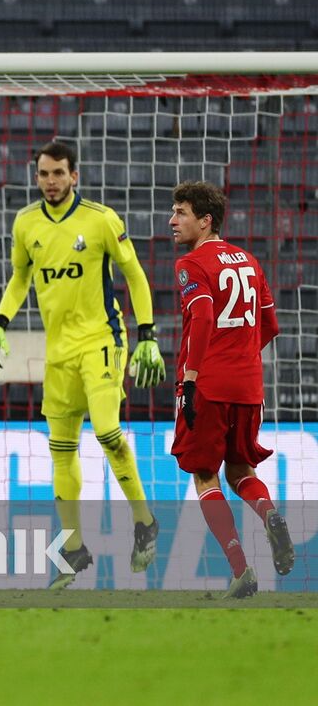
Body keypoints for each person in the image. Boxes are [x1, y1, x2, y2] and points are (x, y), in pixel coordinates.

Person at [0, 141, 166, 589]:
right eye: (43, 174)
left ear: (74, 176)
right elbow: (21, 275)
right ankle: (74, 549)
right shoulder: (26, 223)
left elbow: (135, 275)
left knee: (106, 431)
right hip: (59, 352)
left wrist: (148, 334)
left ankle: (144, 522)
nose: (50, 182)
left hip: (102, 339)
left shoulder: (101, 220)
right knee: (60, 451)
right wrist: (0, 322)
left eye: (58, 173)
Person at [168, 181, 292, 598]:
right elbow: (271, 326)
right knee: (241, 471)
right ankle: (270, 513)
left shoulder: (191, 264)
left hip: (208, 385)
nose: (172, 220)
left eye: (181, 212)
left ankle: (242, 571)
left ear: (205, 221)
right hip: (249, 386)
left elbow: (202, 318)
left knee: (206, 477)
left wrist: (191, 378)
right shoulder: (251, 262)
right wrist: (240, 356)